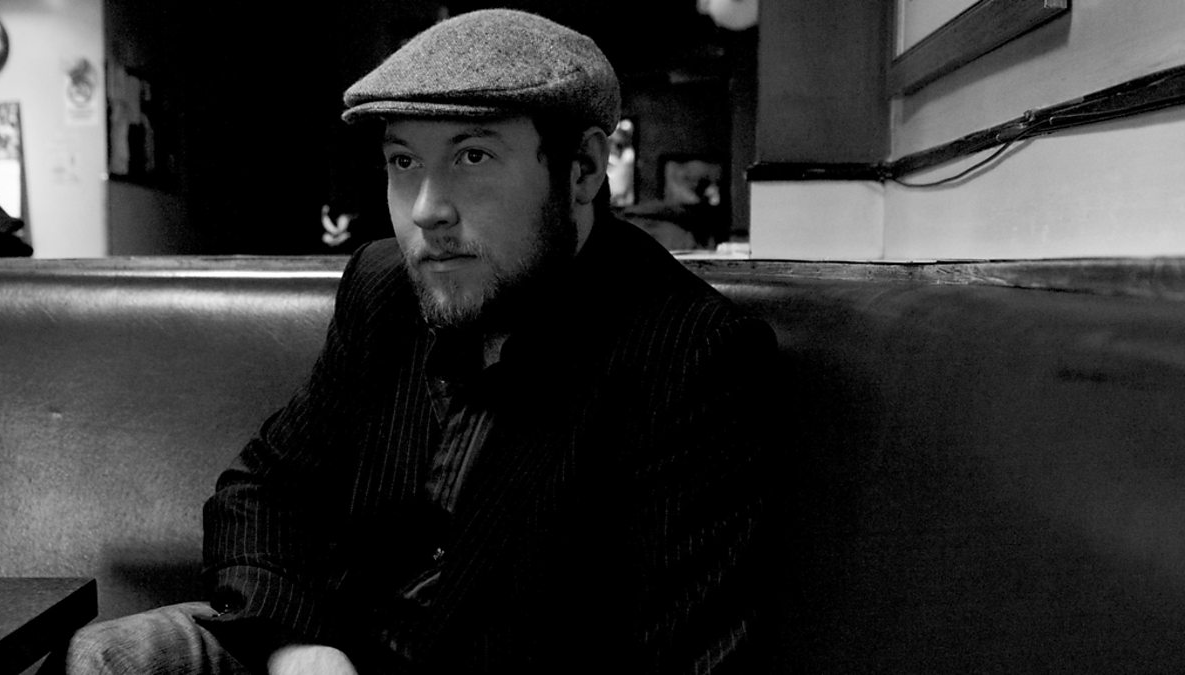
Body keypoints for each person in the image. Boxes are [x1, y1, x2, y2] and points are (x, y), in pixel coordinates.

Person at [65, 9, 779, 674]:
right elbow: (264, 490)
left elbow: (685, 651)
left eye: (473, 157)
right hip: (332, 639)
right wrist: (299, 647)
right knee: (109, 655)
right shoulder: (386, 286)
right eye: (404, 162)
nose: (428, 211)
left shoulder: (692, 354)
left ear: (583, 169)